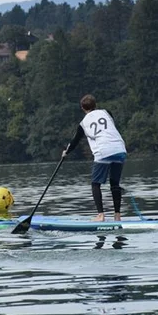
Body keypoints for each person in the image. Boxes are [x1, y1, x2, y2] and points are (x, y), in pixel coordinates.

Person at [62, 94, 128, 222]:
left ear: (82, 108)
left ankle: (100, 215)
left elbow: (75, 141)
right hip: (119, 149)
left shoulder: (83, 123)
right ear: (95, 105)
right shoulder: (106, 112)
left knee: (95, 184)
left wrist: (66, 152)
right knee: (115, 184)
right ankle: (117, 216)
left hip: (103, 151)